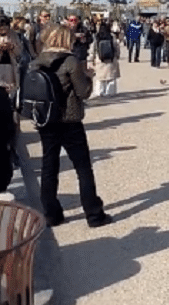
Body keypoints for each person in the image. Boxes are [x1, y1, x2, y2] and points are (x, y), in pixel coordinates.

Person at [31, 24, 112, 227]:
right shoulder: (70, 62)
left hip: (46, 120)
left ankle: (51, 213)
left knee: (49, 166)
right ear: (66, 40)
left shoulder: (35, 63)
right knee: (83, 167)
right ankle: (93, 214)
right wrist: (89, 76)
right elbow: (83, 92)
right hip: (69, 119)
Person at [89, 22, 121, 97]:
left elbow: (92, 49)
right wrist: (117, 56)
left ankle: (99, 92)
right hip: (111, 60)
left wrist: (91, 59)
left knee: (100, 78)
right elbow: (116, 48)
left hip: (100, 60)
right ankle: (110, 92)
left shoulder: (97, 37)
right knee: (111, 78)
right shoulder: (112, 36)